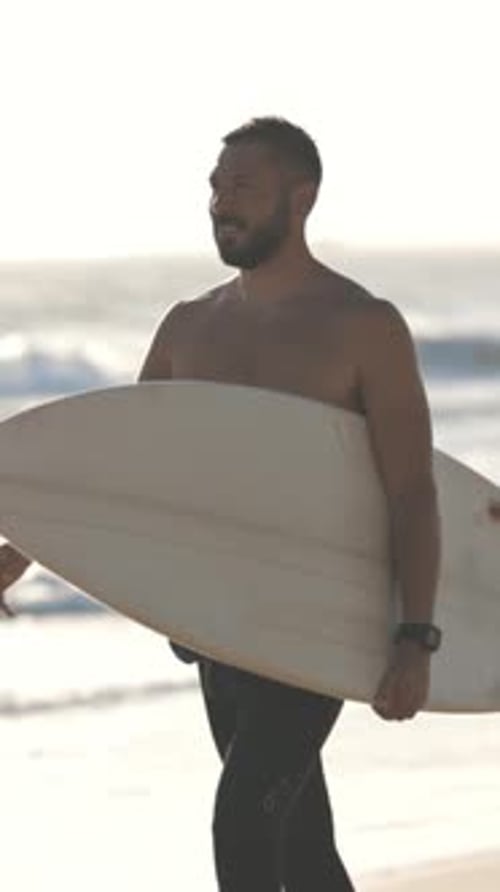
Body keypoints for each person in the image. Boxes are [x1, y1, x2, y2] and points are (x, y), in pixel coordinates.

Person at [1, 116, 449, 891]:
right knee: (301, 844)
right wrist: (19, 556)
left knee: (243, 821)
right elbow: (119, 464)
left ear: (300, 197)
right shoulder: (189, 327)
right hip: (217, 622)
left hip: (322, 618)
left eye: (242, 186)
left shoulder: (362, 327)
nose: (220, 202)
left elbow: (411, 490)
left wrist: (416, 636)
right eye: (215, 186)